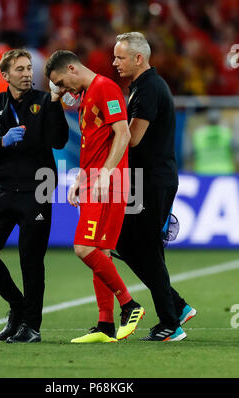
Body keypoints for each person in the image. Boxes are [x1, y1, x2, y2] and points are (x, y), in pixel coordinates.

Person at [0, 49, 69, 343]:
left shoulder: (45, 101)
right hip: (3, 189)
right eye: (20, 69)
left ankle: (31, 326)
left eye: (29, 68)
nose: (26, 74)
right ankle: (17, 306)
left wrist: (57, 104)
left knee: (30, 259)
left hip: (37, 189)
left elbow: (59, 140)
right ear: (5, 75)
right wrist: (1, 141)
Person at [45, 50, 145, 343]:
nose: (63, 90)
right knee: (98, 252)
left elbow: (123, 134)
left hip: (108, 182)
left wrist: (103, 175)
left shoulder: (105, 88)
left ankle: (130, 304)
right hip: (93, 180)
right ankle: (105, 325)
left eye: (62, 82)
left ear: (73, 68)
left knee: (83, 248)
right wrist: (81, 177)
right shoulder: (88, 95)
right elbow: (94, 144)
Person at [112, 32, 196, 341]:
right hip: (145, 180)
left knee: (144, 248)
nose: (114, 62)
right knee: (125, 242)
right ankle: (176, 305)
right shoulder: (144, 87)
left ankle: (170, 324)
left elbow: (132, 138)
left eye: (120, 57)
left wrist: (107, 130)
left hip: (151, 180)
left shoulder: (148, 89)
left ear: (138, 58)